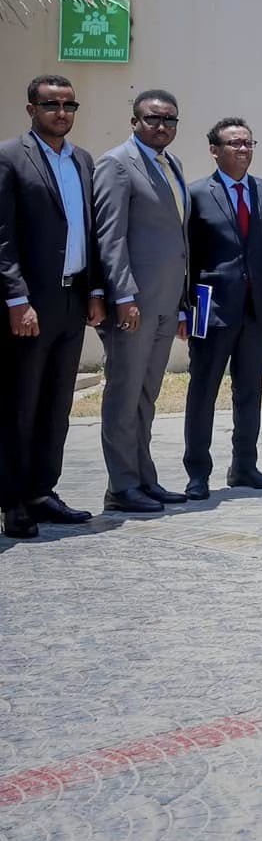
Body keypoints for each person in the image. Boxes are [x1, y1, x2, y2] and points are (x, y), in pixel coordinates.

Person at [0, 75, 105, 539]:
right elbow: (3, 238)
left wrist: (95, 292)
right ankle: (13, 500)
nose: (61, 113)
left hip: (71, 300)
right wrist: (17, 299)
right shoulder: (9, 158)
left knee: (57, 404)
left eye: (69, 105)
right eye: (50, 104)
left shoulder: (81, 160)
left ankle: (43, 491)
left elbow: (90, 232)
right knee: (20, 405)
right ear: (31, 109)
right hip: (31, 306)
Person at [91, 89, 191, 515]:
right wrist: (123, 295)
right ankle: (121, 484)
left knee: (147, 394)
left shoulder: (173, 164)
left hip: (167, 301)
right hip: (133, 305)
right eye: (153, 118)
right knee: (123, 392)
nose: (162, 126)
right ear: (134, 121)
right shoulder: (116, 164)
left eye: (170, 119)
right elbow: (109, 237)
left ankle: (144, 477)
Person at [181, 117, 262, 498]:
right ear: (214, 150)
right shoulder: (195, 194)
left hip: (256, 309)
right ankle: (197, 472)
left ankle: (244, 466)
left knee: (250, 391)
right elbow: (187, 257)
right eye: (233, 144)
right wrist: (184, 309)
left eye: (247, 143)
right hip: (210, 309)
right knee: (203, 390)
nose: (243, 150)